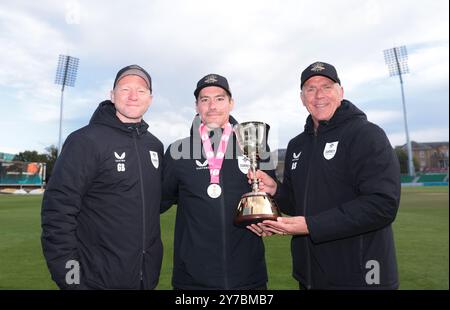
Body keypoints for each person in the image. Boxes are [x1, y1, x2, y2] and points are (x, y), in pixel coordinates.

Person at [248, 61, 401, 289]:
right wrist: (276, 190)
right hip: (310, 276)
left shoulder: (366, 134)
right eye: (310, 88)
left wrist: (311, 225)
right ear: (302, 98)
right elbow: (298, 203)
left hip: (361, 277)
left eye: (327, 86)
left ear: (341, 92)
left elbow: (382, 205)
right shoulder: (297, 145)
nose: (319, 95)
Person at [41, 65, 164, 289]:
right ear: (112, 95)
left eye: (141, 90)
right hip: (95, 281)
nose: (133, 96)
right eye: (125, 89)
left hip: (145, 280)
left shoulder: (154, 146)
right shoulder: (85, 141)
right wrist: (72, 282)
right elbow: (57, 214)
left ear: (151, 98)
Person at [161, 73, 276, 289]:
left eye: (220, 98)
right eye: (205, 99)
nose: (212, 106)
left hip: (249, 278)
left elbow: (274, 198)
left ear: (231, 103)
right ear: (197, 106)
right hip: (193, 281)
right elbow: (158, 202)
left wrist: (269, 221)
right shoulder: (177, 152)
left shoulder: (255, 147)